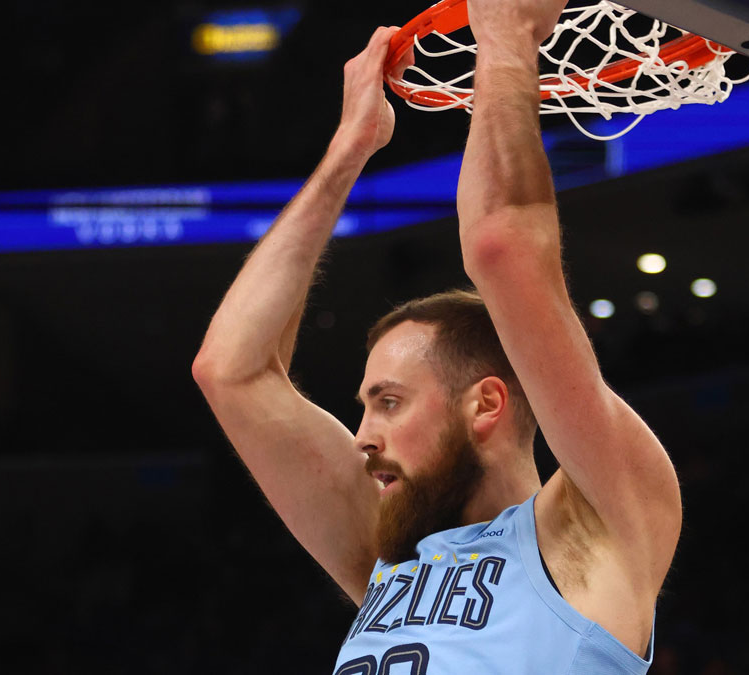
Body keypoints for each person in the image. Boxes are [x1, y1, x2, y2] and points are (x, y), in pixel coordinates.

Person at [191, 0, 681, 671]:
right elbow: (231, 370)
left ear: (486, 404)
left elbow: (505, 248)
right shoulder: (390, 548)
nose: (362, 435)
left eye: (389, 402)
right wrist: (349, 149)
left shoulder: (593, 527)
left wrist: (506, 35)